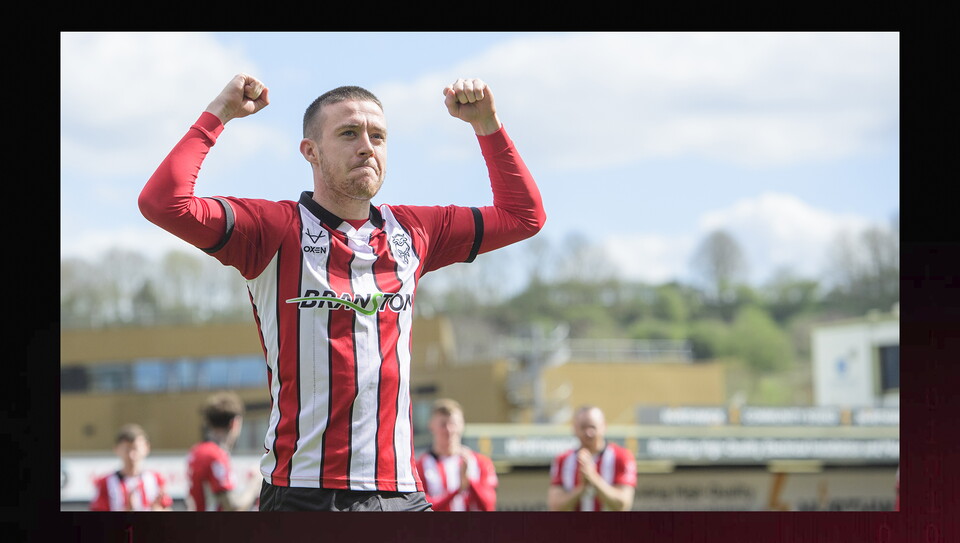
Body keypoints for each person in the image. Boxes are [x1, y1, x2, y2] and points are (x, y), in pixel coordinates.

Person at [139, 73, 545, 511]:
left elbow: (525, 216)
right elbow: (163, 203)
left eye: (378, 135)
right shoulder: (273, 229)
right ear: (310, 152)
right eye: (349, 133)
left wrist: (487, 124)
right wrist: (219, 113)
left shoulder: (414, 230)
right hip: (308, 494)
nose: (367, 146)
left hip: (403, 492)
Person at [547, 405, 636, 511]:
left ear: (604, 427)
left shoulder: (622, 457)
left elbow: (623, 504)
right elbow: (555, 506)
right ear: (574, 428)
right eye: (583, 427)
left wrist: (593, 478)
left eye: (592, 427)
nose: (588, 432)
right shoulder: (563, 460)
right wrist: (581, 488)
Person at [415, 399, 498, 511]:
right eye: (443, 424)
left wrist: (470, 481)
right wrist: (457, 490)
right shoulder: (420, 465)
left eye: (453, 423)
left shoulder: (480, 462)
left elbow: (488, 505)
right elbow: (422, 505)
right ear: (431, 426)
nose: (449, 430)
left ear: (462, 425)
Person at [186, 391, 263, 511]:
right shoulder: (215, 455)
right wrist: (254, 484)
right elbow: (232, 507)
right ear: (234, 423)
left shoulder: (196, 451)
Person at [89, 424, 173, 511]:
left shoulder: (157, 479)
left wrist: (157, 510)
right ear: (116, 449)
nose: (131, 455)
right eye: (127, 449)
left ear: (147, 448)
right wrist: (127, 509)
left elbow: (167, 510)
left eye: (135, 449)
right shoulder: (105, 482)